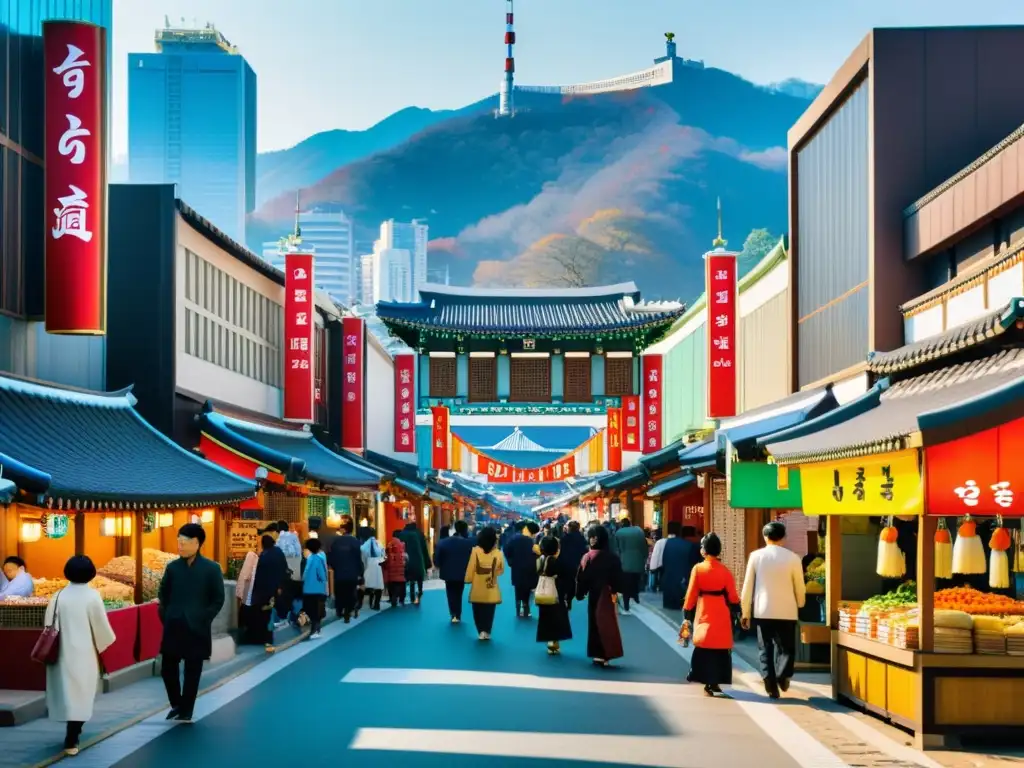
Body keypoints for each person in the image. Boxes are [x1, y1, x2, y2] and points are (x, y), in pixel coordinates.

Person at [45, 555, 116, 756]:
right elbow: (102, 629)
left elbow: (48, 624)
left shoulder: (57, 596)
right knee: (81, 693)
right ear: (91, 573)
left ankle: (71, 732)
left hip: (60, 653)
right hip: (84, 652)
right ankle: (73, 736)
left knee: (67, 693)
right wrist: (104, 644)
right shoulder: (92, 596)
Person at [158, 523, 226, 721]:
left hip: (198, 627)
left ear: (197, 543)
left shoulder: (212, 569)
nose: (180, 546)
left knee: (192, 670)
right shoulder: (172, 568)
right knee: (167, 669)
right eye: (178, 542)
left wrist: (204, 617)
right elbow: (163, 594)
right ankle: (177, 703)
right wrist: (168, 615)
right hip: (173, 625)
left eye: (185, 542)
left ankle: (187, 709)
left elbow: (218, 599)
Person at [741, 521, 807, 699]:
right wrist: (800, 603)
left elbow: (748, 586)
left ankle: (769, 682)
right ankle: (783, 675)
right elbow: (799, 586)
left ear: (765, 537)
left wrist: (745, 611)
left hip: (763, 610)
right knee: (787, 648)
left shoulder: (756, 556)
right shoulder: (793, 558)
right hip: (787, 610)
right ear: (784, 538)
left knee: (765, 647)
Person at [683, 533, 741, 696]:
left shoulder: (698, 569)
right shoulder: (725, 571)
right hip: (722, 611)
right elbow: (733, 596)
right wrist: (737, 611)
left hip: (705, 609)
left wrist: (687, 612)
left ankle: (706, 679)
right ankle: (716, 681)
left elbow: (691, 593)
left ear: (704, 550)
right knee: (720, 647)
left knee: (705, 645)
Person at [576, 524, 625, 666]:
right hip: (607, 594)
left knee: (595, 623)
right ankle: (607, 653)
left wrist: (579, 593)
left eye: (594, 537)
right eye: (591, 537)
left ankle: (598, 653)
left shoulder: (588, 557)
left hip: (596, 594)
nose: (592, 540)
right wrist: (617, 590)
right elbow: (618, 577)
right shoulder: (612, 557)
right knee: (607, 623)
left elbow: (581, 577)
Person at [465, 526, 504, 640]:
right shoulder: (498, 553)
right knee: (489, 611)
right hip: (491, 586)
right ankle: (487, 631)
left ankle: (480, 630)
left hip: (477, 586)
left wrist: (468, 579)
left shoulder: (475, 551)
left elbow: (471, 567)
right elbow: (501, 570)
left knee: (477, 610)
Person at [654, 522, 702, 611]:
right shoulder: (691, 546)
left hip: (668, 590)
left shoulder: (668, 543)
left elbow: (664, 562)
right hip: (683, 589)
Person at [250, 534, 287, 650]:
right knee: (270, 612)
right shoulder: (279, 553)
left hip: (263, 589)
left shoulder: (264, 556)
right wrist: (280, 586)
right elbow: (284, 569)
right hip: (275, 588)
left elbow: (259, 574)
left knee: (264, 613)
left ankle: (265, 638)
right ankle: (268, 638)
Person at [536, 536, 572, 654]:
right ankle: (554, 642)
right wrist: (570, 596)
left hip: (543, 593)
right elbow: (568, 578)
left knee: (546, 618)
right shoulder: (558, 562)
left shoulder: (540, 560)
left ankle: (550, 641)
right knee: (557, 618)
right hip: (557, 593)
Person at [434, 519, 475, 623]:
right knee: (459, 592)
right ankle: (458, 613)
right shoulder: (468, 543)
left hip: (447, 572)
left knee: (450, 592)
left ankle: (453, 613)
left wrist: (438, 565)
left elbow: (437, 557)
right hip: (462, 572)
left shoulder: (444, 542)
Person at [328, 517, 364, 622]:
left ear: (343, 530)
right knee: (350, 592)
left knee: (340, 592)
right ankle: (348, 610)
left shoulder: (336, 542)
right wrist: (360, 572)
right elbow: (359, 558)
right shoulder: (356, 542)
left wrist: (334, 567)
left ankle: (340, 610)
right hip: (352, 573)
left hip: (339, 573)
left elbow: (331, 557)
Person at [504, 521, 540, 618]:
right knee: (527, 590)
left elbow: (506, 550)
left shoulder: (514, 539)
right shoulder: (531, 541)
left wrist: (511, 562)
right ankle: (526, 610)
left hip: (517, 568)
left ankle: (518, 609)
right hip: (530, 568)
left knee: (518, 589)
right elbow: (538, 553)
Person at [615, 517, 648, 613]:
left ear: (622, 524)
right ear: (630, 523)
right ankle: (636, 596)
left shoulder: (619, 533)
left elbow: (616, 549)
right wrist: (644, 557)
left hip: (624, 562)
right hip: (638, 561)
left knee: (626, 584)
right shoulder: (639, 532)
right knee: (636, 580)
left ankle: (626, 604)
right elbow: (644, 546)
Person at [275, 520, 303, 624]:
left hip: (285, 574)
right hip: (296, 572)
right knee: (295, 594)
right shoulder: (295, 538)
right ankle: (295, 615)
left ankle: (284, 618)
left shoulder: (279, 540)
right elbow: (299, 553)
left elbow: (278, 557)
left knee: (285, 595)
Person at [557, 520, 587, 611]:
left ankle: (566, 599)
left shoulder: (564, 538)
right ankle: (570, 597)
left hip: (565, 564)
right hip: (578, 564)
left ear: (570, 528)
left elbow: (561, 552)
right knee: (575, 583)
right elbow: (584, 551)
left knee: (566, 583)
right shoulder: (582, 538)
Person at [302, 538, 328, 638]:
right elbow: (322, 575)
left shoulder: (309, 558)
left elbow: (305, 574)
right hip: (318, 589)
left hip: (308, 589)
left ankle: (314, 630)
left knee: (311, 610)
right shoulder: (319, 559)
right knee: (317, 611)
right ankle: (316, 630)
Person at [400, 521, 430, 605]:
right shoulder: (419, 533)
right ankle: (419, 592)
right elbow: (424, 549)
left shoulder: (402, 534)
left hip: (406, 559)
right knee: (419, 578)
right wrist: (427, 564)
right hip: (418, 558)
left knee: (409, 578)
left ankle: (409, 596)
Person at [360, 528, 386, 611]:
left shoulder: (364, 546)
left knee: (367, 584)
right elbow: (383, 555)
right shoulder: (379, 543)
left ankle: (362, 603)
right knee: (378, 585)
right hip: (378, 565)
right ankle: (376, 603)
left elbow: (362, 557)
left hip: (368, 564)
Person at [385, 529, 408, 606]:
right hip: (400, 568)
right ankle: (401, 599)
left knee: (392, 584)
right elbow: (405, 556)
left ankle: (392, 597)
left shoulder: (389, 544)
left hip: (391, 568)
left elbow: (386, 555)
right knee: (401, 584)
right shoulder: (402, 544)